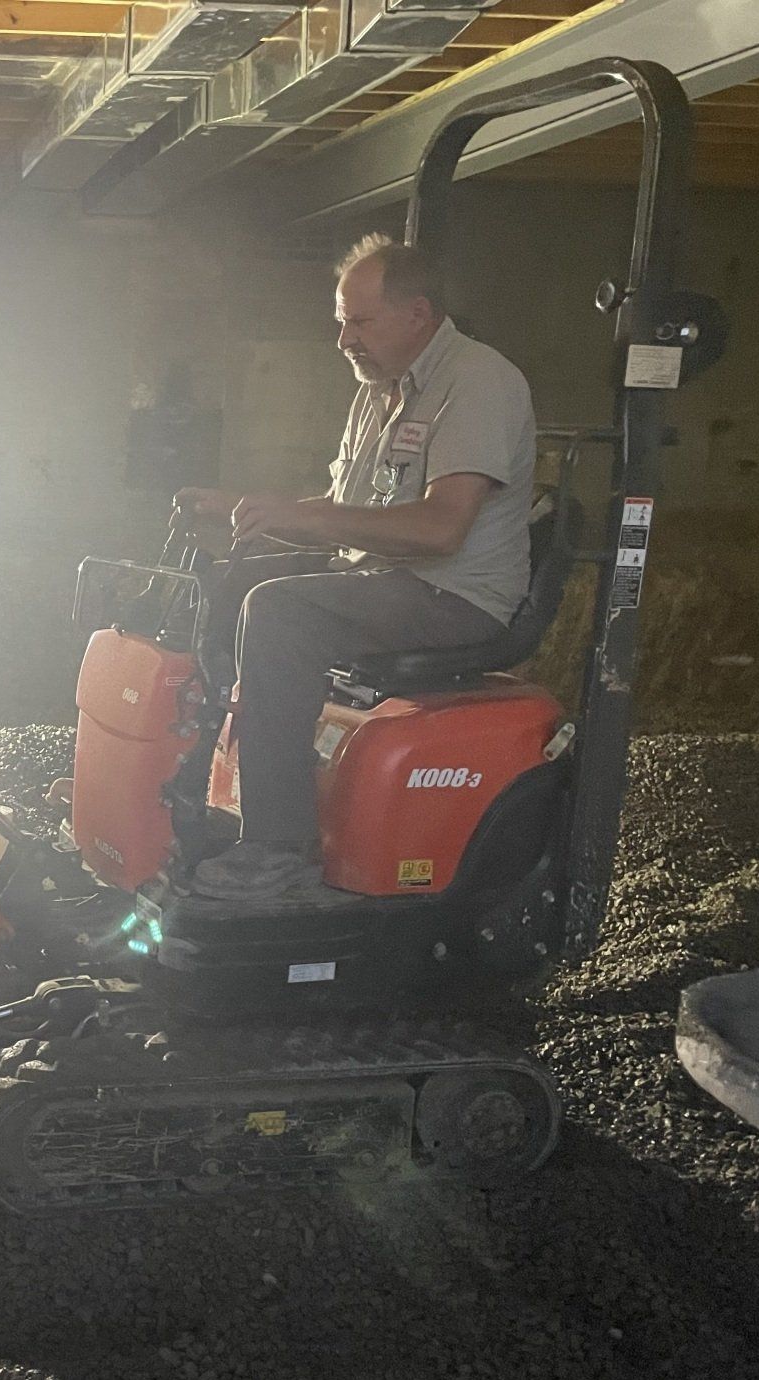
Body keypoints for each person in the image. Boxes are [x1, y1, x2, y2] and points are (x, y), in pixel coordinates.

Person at [176, 233, 537, 902]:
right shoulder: (378, 391)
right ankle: (211, 786)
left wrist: (307, 522)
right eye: (342, 320)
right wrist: (252, 511)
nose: (345, 338)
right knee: (231, 583)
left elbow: (439, 527)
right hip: (386, 579)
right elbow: (350, 512)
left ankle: (275, 851)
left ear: (417, 315)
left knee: (280, 613)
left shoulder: (479, 382)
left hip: (454, 595)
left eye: (361, 321)